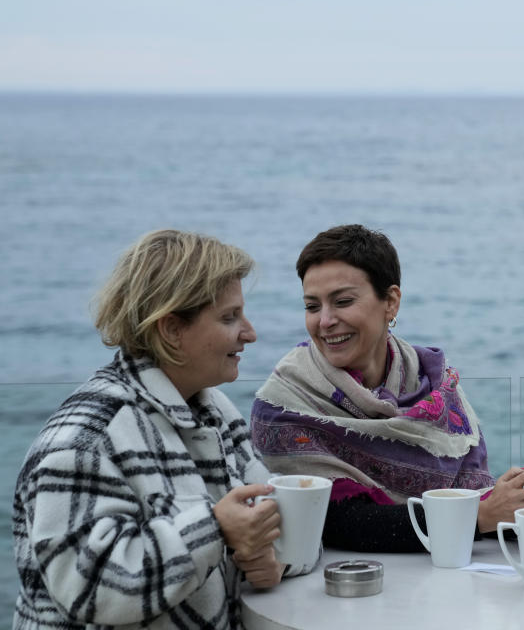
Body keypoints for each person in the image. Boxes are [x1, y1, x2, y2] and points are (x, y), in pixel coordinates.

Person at [12, 230, 308, 630]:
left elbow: (266, 520)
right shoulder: (84, 439)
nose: (250, 333)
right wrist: (215, 529)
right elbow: (89, 587)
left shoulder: (214, 409)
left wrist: (271, 560)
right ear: (171, 329)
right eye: (229, 317)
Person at [250, 224, 524, 552]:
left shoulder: (432, 383)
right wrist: (477, 517)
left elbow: (474, 502)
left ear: (390, 302)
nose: (325, 321)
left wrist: (522, 507)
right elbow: (332, 523)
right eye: (312, 306)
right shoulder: (285, 404)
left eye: (342, 302)